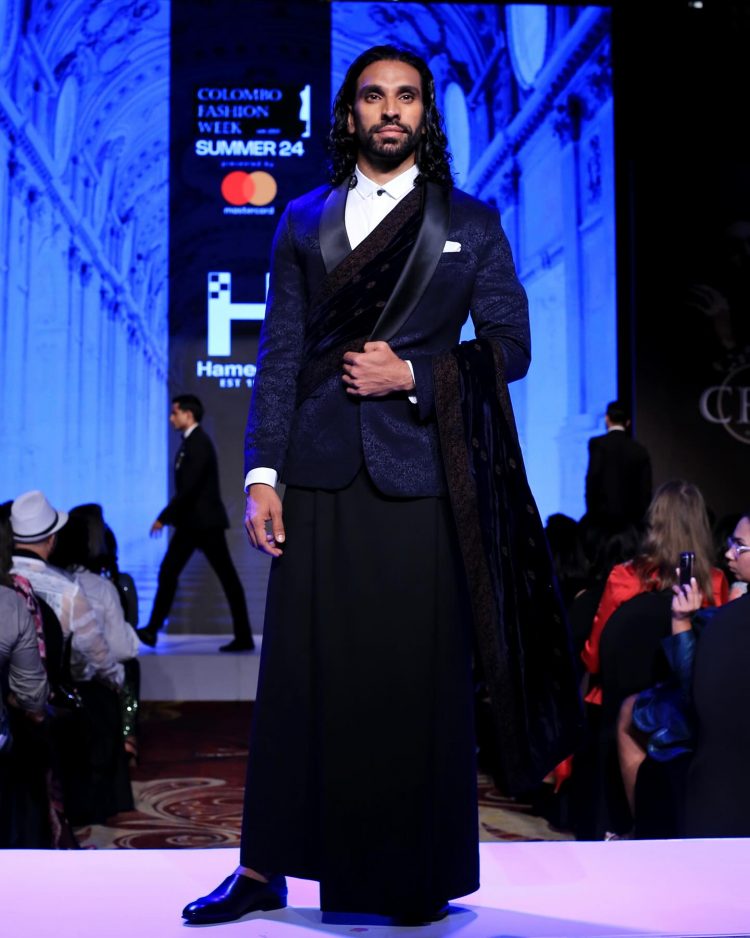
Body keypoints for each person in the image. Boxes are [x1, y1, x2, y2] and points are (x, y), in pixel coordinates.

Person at [182, 45, 581, 927]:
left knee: (412, 682)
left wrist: (415, 374)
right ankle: (263, 870)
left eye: (406, 96)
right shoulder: (302, 219)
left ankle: (411, 874)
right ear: (350, 113)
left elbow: (512, 347)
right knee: (299, 680)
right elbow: (279, 356)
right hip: (317, 476)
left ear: (424, 113)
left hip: (422, 479)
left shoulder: (470, 222)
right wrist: (261, 475)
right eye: (373, 96)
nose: (390, 110)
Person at [136, 394, 254, 652]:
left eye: (174, 413)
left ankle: (244, 636)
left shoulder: (198, 443)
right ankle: (152, 630)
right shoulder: (191, 442)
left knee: (226, 578)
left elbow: (188, 489)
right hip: (192, 524)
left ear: (188, 415)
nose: (171, 418)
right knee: (169, 572)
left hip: (205, 524)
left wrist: (163, 517)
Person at [584, 400, 652, 535]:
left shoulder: (598, 444)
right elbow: (645, 492)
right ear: (628, 422)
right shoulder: (639, 450)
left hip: (603, 525)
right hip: (631, 527)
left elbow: (592, 482)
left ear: (607, 419)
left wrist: (592, 518)